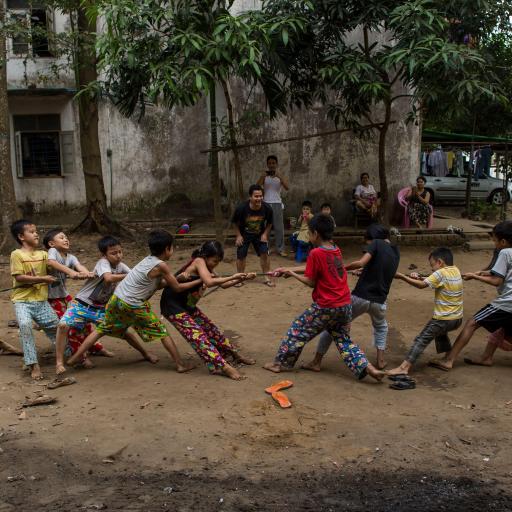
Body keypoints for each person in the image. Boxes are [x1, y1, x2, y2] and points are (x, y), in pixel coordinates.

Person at [263, 214, 384, 382]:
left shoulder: (315, 253)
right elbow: (313, 268)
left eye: (309, 232)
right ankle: (368, 368)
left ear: (316, 234)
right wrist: (286, 269)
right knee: (343, 340)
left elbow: (311, 282)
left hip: (327, 305)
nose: (308, 236)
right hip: (344, 304)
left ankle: (280, 363)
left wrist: (291, 273)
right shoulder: (335, 249)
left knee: (297, 330)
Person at [67, 230, 202, 372]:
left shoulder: (147, 260)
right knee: (162, 332)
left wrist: (177, 278)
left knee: (101, 330)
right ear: (168, 248)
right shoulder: (162, 265)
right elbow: (177, 288)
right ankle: (180, 365)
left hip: (117, 299)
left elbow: (158, 285)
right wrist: (199, 281)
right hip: (133, 304)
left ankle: (75, 358)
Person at [302, 224, 400, 372]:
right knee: (381, 327)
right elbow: (381, 270)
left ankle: (317, 361)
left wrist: (341, 268)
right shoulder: (395, 251)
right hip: (380, 300)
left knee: (334, 326)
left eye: (367, 242)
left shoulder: (376, 243)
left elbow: (361, 262)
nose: (367, 246)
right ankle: (380, 360)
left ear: (373, 238)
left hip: (361, 296)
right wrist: (363, 271)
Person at [56, 235, 158, 374]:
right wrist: (132, 276)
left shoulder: (121, 266)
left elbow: (136, 278)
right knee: (63, 325)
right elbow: (109, 278)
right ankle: (59, 363)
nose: (118, 255)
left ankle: (145, 354)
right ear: (104, 255)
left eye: (120, 252)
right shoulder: (102, 263)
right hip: (81, 304)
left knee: (125, 332)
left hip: (102, 309)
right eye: (113, 253)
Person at [161, 241, 256, 380]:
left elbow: (224, 284)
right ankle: (224, 367)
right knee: (198, 337)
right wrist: (234, 276)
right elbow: (210, 282)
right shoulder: (199, 261)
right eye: (214, 261)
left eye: (218, 261)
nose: (215, 264)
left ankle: (235, 355)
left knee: (212, 330)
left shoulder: (208, 266)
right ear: (205, 256)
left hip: (187, 304)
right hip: (172, 306)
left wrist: (242, 278)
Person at [430, 221, 512, 371]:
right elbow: (504, 272)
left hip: (507, 302)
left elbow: (497, 280)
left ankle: (449, 359)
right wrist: (483, 273)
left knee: (472, 323)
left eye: (494, 240)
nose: (494, 243)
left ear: (503, 241)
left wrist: (475, 277)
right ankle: (486, 357)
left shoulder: (505, 252)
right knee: (500, 329)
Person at [43, 229, 114, 367]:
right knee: (71, 326)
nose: (66, 239)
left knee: (84, 321)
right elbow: (51, 263)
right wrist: (71, 272)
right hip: (52, 299)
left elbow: (79, 266)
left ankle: (95, 347)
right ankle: (81, 357)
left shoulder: (70, 257)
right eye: (61, 237)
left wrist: (87, 273)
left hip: (64, 295)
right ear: (51, 243)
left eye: (66, 237)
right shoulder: (53, 252)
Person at [387, 247, 463, 375]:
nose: (432, 269)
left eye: (432, 265)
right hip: (457, 319)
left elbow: (422, 285)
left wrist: (402, 277)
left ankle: (404, 368)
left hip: (443, 319)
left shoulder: (440, 273)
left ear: (440, 262)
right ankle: (446, 358)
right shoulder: (455, 270)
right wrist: (419, 277)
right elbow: (433, 280)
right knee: (440, 332)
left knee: (421, 339)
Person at [9, 219, 59, 380]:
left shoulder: (43, 255)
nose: (36, 234)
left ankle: (66, 354)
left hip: (41, 301)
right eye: (31, 232)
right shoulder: (17, 254)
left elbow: (54, 267)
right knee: (25, 325)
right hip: (22, 301)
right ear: (21, 236)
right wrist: (43, 278)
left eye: (36, 231)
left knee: (56, 328)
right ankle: (33, 364)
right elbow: (19, 277)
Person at [232, 184, 274, 287]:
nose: (259, 198)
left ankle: (267, 277)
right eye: (256, 196)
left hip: (260, 234)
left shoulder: (267, 208)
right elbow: (234, 222)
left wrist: (265, 234)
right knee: (241, 255)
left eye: (260, 196)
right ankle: (240, 278)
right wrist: (238, 236)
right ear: (250, 197)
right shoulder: (241, 208)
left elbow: (270, 223)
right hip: (244, 234)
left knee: (265, 253)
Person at [257, 155, 289, 257]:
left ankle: (280, 249)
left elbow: (287, 187)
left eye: (273, 163)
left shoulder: (280, 176)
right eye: (270, 163)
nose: (271, 165)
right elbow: (256, 187)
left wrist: (280, 177)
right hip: (265, 203)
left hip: (277, 203)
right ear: (267, 164)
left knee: (279, 228)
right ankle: (265, 248)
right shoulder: (264, 176)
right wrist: (262, 177)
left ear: (276, 164)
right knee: (266, 228)